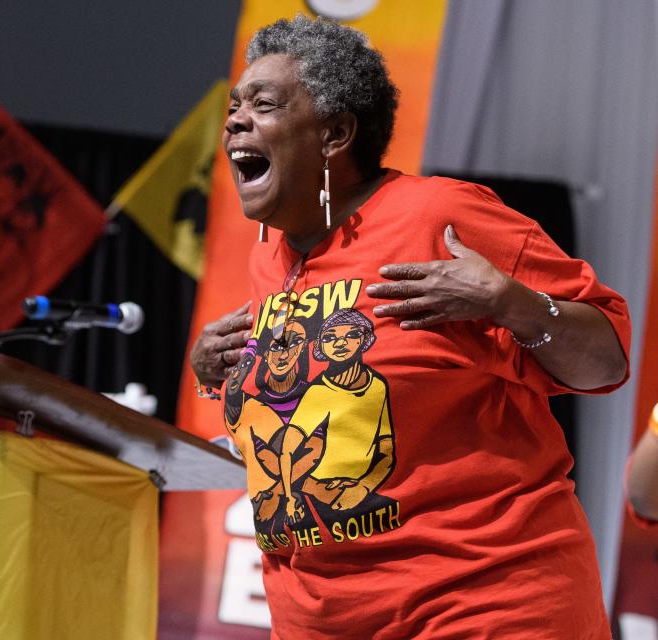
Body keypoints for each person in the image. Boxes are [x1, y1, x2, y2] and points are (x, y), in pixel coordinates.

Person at [190, 15, 630, 640]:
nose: (235, 120)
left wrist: (510, 302)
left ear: (336, 133)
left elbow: (607, 359)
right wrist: (214, 374)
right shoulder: (271, 257)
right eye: (234, 106)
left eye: (263, 104)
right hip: (322, 618)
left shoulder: (438, 215)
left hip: (482, 605)